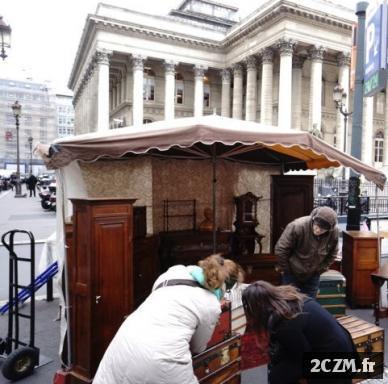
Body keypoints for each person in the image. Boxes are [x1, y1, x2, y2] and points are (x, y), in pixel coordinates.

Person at [93, 254, 241, 384]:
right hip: (161, 359)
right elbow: (198, 347)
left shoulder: (173, 273)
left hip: (125, 341)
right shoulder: (210, 304)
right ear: (223, 286)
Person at [242, 281, 355, 384]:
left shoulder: (285, 323)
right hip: (345, 349)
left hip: (332, 363)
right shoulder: (293, 300)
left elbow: (301, 356)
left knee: (277, 377)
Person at [275, 206, 339, 298]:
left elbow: (333, 253)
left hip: (313, 274)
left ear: (330, 229)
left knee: (310, 304)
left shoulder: (334, 232)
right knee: (289, 304)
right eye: (317, 226)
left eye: (323, 229)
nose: (318, 230)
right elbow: (281, 249)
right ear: (313, 220)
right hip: (292, 273)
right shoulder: (297, 226)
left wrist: (320, 269)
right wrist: (287, 270)